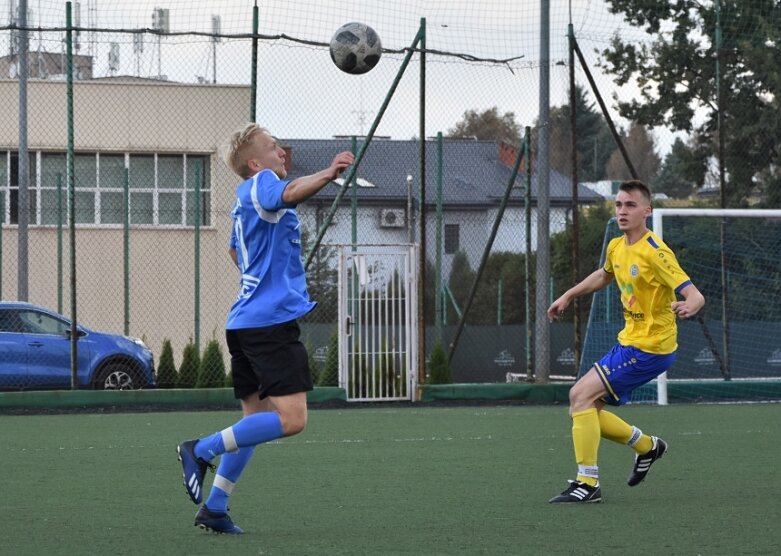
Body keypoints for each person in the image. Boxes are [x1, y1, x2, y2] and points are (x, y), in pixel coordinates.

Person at [177, 123, 354, 532]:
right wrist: (328, 174)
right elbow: (289, 193)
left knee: (252, 424)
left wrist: (266, 276)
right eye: (274, 148)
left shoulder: (243, 203)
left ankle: (215, 507)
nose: (282, 153)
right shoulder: (262, 184)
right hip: (268, 326)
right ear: (255, 162)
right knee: (292, 420)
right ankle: (200, 450)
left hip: (245, 322)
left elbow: (234, 252)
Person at [547, 180, 705, 504]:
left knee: (579, 396)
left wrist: (690, 304)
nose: (622, 211)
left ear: (647, 211)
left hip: (650, 348)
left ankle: (587, 484)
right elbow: (604, 275)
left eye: (630, 205)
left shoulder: (656, 252)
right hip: (630, 343)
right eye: (618, 205)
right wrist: (568, 295)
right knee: (584, 407)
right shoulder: (617, 247)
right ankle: (647, 446)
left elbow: (694, 293)